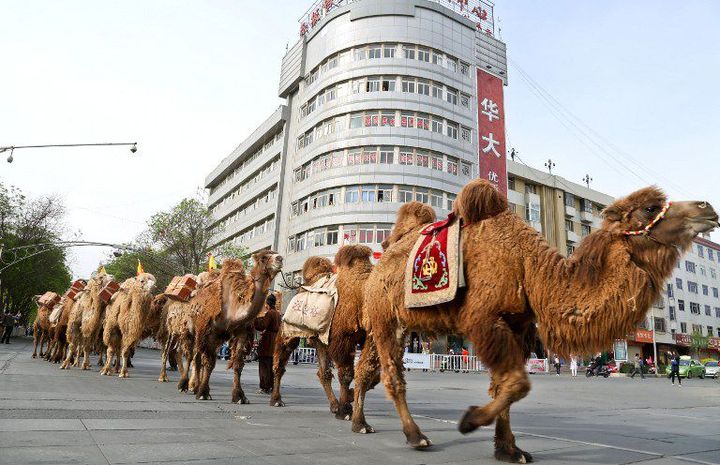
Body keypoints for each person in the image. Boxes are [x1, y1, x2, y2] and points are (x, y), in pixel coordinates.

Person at [254, 294, 281, 394]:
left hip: (268, 341)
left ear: (267, 303)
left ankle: (264, 386)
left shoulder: (270, 313)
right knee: (270, 365)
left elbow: (263, 325)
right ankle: (271, 386)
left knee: (264, 365)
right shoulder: (277, 313)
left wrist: (255, 319)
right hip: (275, 340)